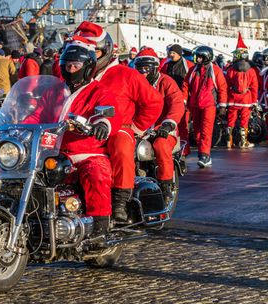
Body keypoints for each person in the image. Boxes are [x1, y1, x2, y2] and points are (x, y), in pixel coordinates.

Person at [23, 36, 121, 239]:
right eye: (67, 65)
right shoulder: (54, 90)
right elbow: (39, 113)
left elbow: (110, 113)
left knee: (97, 174)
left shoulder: (99, 91)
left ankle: (100, 230)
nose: (70, 69)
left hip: (87, 152)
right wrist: (22, 126)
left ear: (87, 67)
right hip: (54, 151)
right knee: (27, 171)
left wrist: (103, 124)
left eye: (75, 65)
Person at [73, 21, 163, 223]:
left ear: (104, 51)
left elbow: (154, 102)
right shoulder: (75, 74)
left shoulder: (126, 74)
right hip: (79, 127)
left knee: (121, 146)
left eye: (92, 51)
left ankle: (119, 201)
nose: (86, 55)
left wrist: (136, 126)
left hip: (116, 128)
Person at [134, 47, 185, 201]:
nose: (143, 72)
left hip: (162, 130)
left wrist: (168, 124)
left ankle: (166, 185)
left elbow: (177, 103)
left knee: (161, 145)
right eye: (139, 69)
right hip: (139, 129)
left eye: (146, 69)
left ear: (155, 68)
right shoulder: (134, 84)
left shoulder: (166, 82)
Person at [182, 45, 227, 168]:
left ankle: (205, 155)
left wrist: (222, 105)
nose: (197, 59)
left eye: (199, 57)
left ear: (206, 57)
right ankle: (202, 153)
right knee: (196, 131)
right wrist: (184, 100)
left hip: (209, 105)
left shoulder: (215, 70)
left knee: (206, 131)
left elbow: (222, 88)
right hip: (194, 105)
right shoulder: (193, 70)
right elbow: (186, 85)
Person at [221, 36, 258, 149]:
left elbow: (226, 86)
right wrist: (254, 101)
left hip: (233, 99)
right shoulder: (251, 70)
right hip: (246, 99)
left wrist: (225, 101)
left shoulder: (231, 70)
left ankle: (229, 141)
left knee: (231, 120)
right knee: (244, 120)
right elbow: (254, 87)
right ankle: (243, 142)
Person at [160, 44, 194, 158]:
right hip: (168, 98)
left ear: (179, 54)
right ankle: (172, 148)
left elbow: (190, 83)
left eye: (173, 53)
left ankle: (184, 149)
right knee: (168, 123)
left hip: (182, 99)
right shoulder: (166, 65)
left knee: (183, 126)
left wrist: (187, 99)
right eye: (170, 52)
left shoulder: (188, 66)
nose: (171, 54)